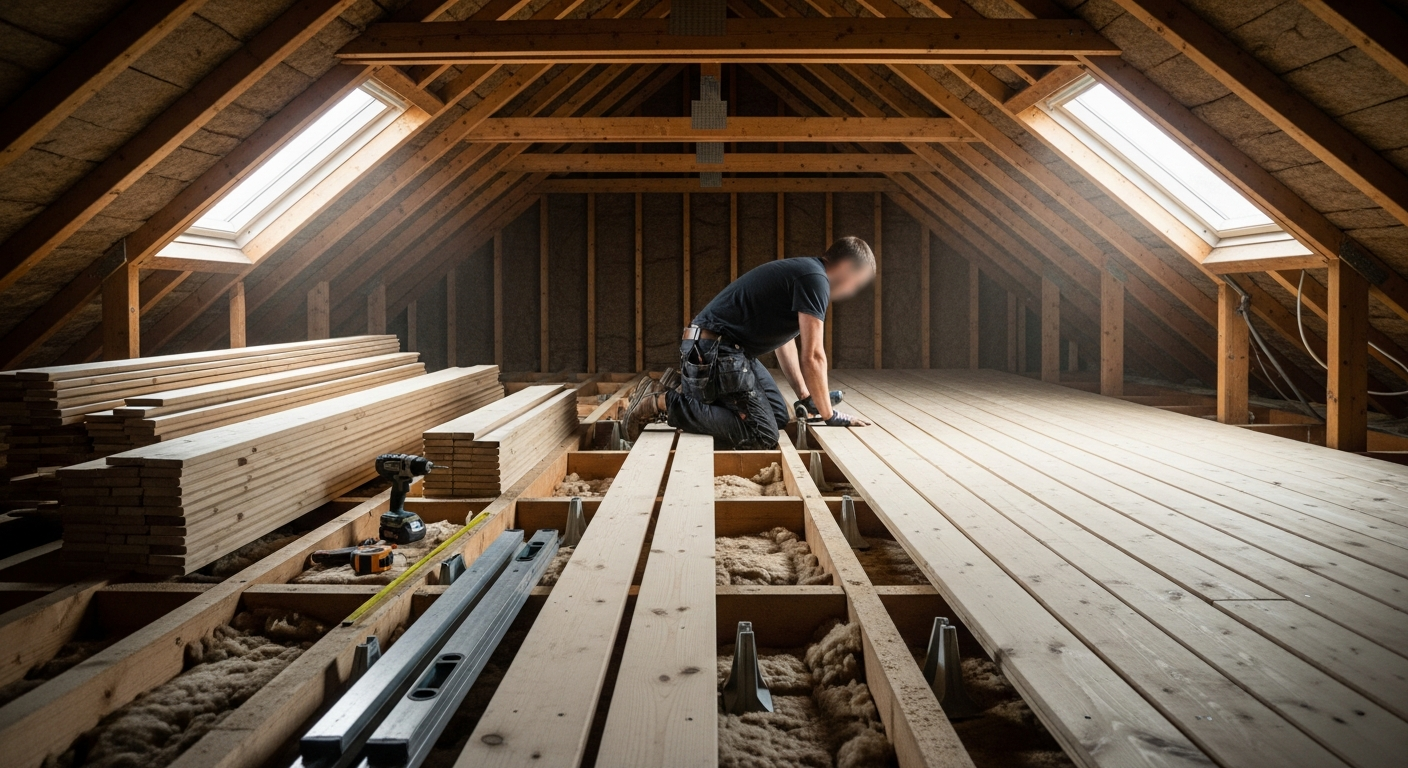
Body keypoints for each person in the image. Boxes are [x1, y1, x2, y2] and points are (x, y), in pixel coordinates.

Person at [623, 236, 875, 448]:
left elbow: (782, 342)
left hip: (724, 351)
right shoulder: (816, 280)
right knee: (762, 434)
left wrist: (805, 395)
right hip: (717, 351)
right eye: (857, 283)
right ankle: (661, 401)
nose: (852, 291)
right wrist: (830, 416)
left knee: (777, 416)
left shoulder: (807, 273)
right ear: (845, 268)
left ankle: (679, 386)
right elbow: (813, 357)